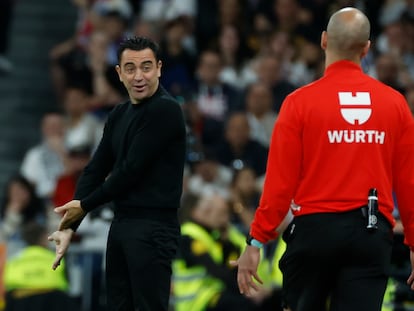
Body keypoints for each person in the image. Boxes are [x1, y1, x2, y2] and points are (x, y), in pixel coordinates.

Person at [232, 7, 414, 311]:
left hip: (314, 233)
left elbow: (279, 185)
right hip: (371, 234)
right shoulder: (395, 104)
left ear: (324, 40)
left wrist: (255, 241)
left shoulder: (298, 103)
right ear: (367, 47)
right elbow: (408, 183)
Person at [47, 36, 187, 311]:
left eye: (146, 67)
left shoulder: (165, 110)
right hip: (121, 225)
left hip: (153, 226)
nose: (139, 76)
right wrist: (68, 225)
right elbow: (96, 167)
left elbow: (129, 172)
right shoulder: (120, 113)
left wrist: (85, 206)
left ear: (159, 68)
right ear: (119, 73)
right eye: (131, 68)